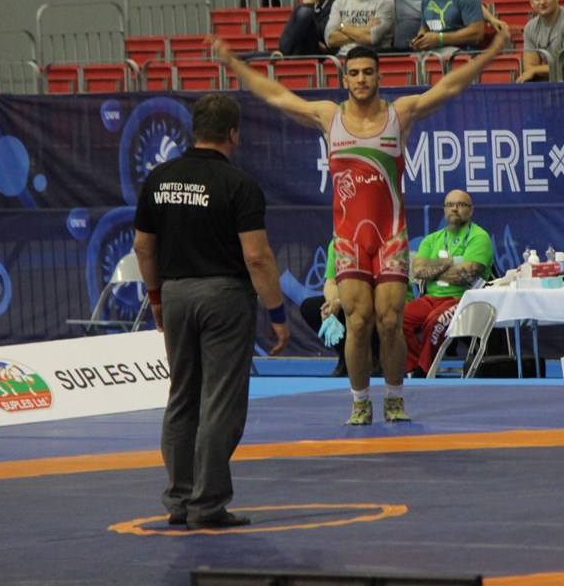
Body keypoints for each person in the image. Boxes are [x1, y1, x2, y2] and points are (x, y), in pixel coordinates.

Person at [219, 28, 511, 425]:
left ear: (378, 76)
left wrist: (491, 52)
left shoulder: (399, 114)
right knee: (357, 322)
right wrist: (234, 64)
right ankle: (359, 402)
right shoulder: (329, 117)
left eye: (368, 72)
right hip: (349, 242)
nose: (361, 79)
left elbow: (449, 87)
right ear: (345, 78)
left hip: (390, 238)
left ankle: (394, 398)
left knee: (390, 322)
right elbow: (276, 95)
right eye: (354, 73)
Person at [133, 93, 290, 530]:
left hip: (176, 293)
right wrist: (277, 314)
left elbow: (143, 247)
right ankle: (207, 504)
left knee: (182, 396)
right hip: (224, 296)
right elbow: (256, 257)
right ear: (233, 134)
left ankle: (180, 500)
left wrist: (157, 298)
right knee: (220, 401)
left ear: (194, 130)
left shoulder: (159, 179)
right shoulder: (238, 184)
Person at [403, 190, 493, 377]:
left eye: (460, 205)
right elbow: (418, 270)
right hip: (430, 298)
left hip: (463, 300)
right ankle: (412, 369)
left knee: (435, 321)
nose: (454, 209)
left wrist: (434, 270)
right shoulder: (432, 239)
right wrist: (450, 262)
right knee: (397, 318)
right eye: (450, 205)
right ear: (444, 209)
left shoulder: (479, 237)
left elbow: (465, 276)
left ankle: (423, 372)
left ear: (471, 210)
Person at [298, 240, 382, 378]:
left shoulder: (373, 241)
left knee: (365, 309)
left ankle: (376, 358)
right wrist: (332, 304)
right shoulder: (336, 243)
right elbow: (330, 283)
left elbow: (374, 287)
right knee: (310, 308)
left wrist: (341, 301)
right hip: (349, 298)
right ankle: (347, 356)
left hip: (378, 299)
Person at [517, 0, 564, 83]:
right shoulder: (530, 28)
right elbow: (528, 67)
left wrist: (536, 70)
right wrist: (535, 70)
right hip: (545, 84)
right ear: (531, 3)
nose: (542, 2)